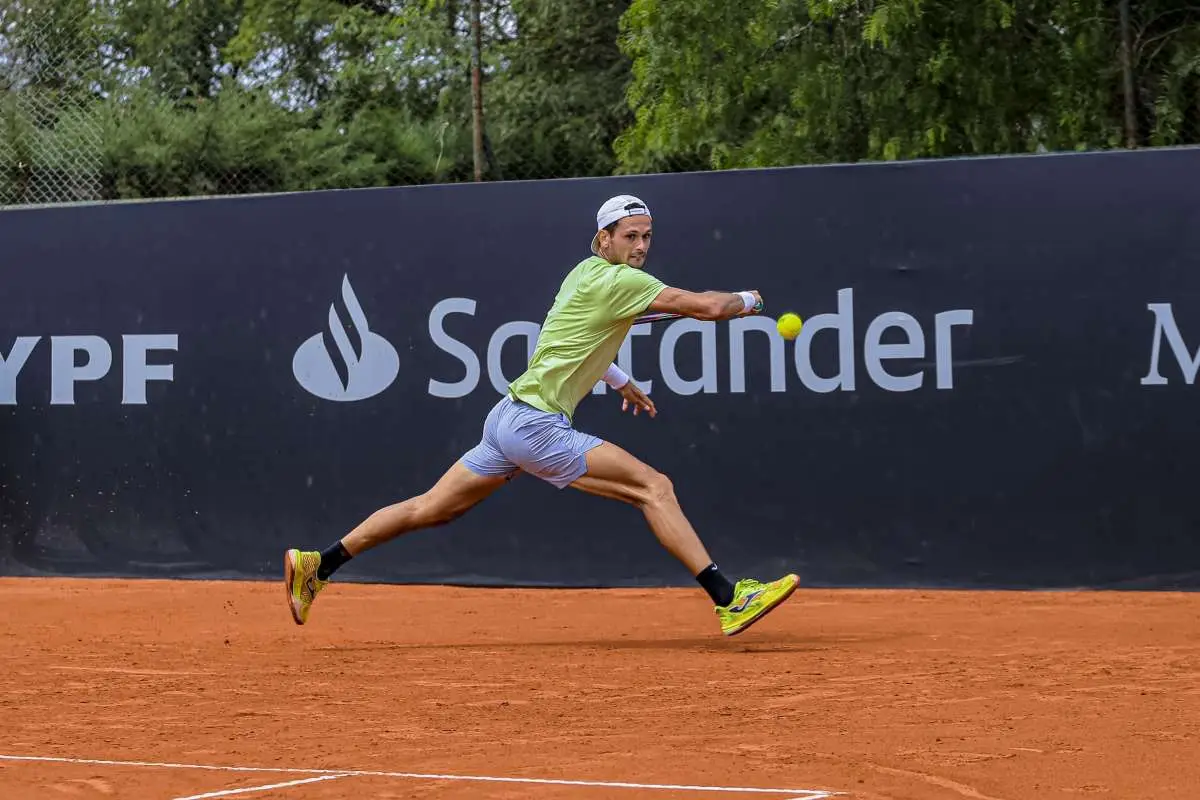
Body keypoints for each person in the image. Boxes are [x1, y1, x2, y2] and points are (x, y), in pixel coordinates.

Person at [285, 194, 799, 636]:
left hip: (506, 419)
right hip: (536, 427)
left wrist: (619, 380)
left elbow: (579, 337)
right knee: (653, 487)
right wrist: (750, 301)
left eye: (647, 237)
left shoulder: (586, 274)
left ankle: (318, 564)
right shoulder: (620, 282)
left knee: (432, 508)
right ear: (604, 237)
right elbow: (703, 307)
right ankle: (728, 598)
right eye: (630, 237)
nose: (640, 247)